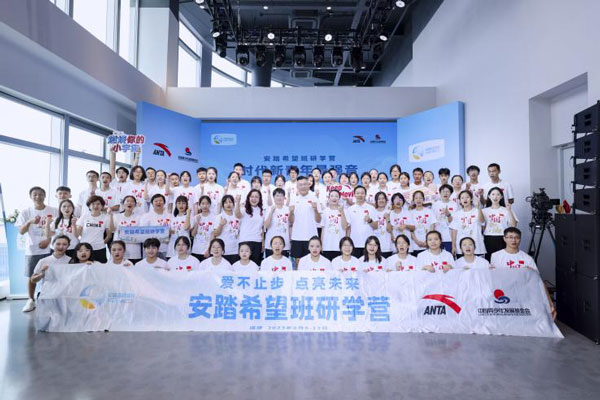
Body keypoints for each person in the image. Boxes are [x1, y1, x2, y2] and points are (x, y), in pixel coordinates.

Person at [490, 227, 556, 320]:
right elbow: (494, 278)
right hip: (505, 293)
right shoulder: (496, 256)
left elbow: (538, 281)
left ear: (520, 239)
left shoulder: (527, 258)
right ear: (504, 238)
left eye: (517, 237)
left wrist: (550, 302)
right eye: (510, 237)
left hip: (523, 293)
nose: (514, 240)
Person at [289, 176, 322, 262]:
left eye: (305, 184)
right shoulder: (293, 199)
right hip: (297, 236)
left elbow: (319, 220)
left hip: (311, 236)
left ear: (308, 185)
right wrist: (291, 212)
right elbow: (291, 221)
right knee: (298, 262)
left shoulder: (314, 198)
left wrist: (315, 210)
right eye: (300, 185)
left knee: (312, 261)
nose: (303, 186)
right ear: (297, 187)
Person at [29, 235, 71, 299]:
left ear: (68, 246)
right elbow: (33, 280)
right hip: (46, 294)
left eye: (64, 244)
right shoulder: (43, 261)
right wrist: (41, 275)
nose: (61, 247)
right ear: (52, 244)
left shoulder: (71, 261)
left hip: (64, 295)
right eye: (58, 244)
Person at [482, 187, 518, 260]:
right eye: (493, 194)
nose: (495, 197)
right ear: (489, 196)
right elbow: (482, 226)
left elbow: (514, 225)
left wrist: (509, 210)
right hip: (489, 238)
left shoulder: (506, 210)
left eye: (498, 194)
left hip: (503, 238)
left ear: (501, 197)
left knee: (503, 259)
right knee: (490, 260)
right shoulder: (484, 211)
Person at [450, 190, 486, 257]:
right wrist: (453, 246)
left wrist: (479, 208)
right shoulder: (457, 214)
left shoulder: (477, 211)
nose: (465, 199)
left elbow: (482, 222)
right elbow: (454, 231)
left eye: (467, 197)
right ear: (460, 201)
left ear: (471, 199)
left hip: (477, 246)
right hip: (461, 247)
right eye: (462, 198)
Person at [75, 195, 111, 263]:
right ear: (89, 206)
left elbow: (109, 235)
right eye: (93, 204)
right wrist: (74, 225)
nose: (95, 206)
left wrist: (101, 243)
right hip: (85, 249)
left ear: (102, 206)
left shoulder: (105, 218)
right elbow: (77, 234)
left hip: (100, 249)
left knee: (100, 268)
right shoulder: (84, 217)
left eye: (98, 204)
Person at [345, 186, 377, 258]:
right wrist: (347, 242)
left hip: (368, 244)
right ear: (354, 195)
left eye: (362, 193)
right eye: (358, 193)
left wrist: (370, 221)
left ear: (365, 195)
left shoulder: (371, 208)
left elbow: (376, 226)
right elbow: (348, 228)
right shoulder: (350, 209)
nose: (360, 195)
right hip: (354, 243)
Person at [235, 189, 265, 265]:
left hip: (257, 241)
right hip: (245, 240)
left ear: (260, 199)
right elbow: (237, 215)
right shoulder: (244, 209)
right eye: (252, 196)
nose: (254, 199)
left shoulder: (262, 211)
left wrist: (263, 242)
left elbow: (262, 228)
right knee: (244, 264)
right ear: (248, 198)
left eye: (256, 197)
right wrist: (237, 202)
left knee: (255, 265)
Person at [109, 195, 142, 264]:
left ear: (135, 205)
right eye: (127, 201)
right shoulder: (117, 216)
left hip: (134, 251)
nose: (129, 203)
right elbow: (112, 230)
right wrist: (111, 216)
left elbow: (141, 233)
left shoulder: (140, 218)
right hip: (118, 251)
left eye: (132, 201)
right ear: (123, 204)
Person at [140, 194, 172, 259]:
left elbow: (173, 231)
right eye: (156, 201)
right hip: (150, 249)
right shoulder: (146, 216)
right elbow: (142, 232)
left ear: (164, 203)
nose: (158, 202)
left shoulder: (170, 216)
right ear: (152, 203)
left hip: (165, 248)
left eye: (160, 200)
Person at [320, 189, 348, 261]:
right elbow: (323, 230)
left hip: (339, 246)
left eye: (336, 196)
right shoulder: (325, 212)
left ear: (339, 198)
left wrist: (342, 212)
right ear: (328, 198)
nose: (334, 198)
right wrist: (321, 244)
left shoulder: (345, 211)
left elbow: (345, 227)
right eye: (332, 196)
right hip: (327, 246)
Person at [213, 195, 240, 264]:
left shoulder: (237, 216)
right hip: (224, 250)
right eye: (226, 202)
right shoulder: (219, 217)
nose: (228, 204)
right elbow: (215, 234)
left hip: (236, 250)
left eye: (230, 202)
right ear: (223, 205)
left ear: (233, 204)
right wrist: (221, 225)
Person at [264, 188, 291, 258]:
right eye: (277, 195)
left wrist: (291, 240)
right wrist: (271, 212)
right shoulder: (269, 208)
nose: (279, 197)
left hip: (284, 243)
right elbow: (266, 225)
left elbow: (290, 225)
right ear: (273, 197)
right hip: (270, 244)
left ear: (284, 197)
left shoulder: (288, 209)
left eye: (281, 195)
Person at [191, 196, 218, 262]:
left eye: (207, 203)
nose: (205, 206)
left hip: (208, 251)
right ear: (199, 205)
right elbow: (193, 234)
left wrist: (209, 249)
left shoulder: (215, 217)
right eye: (203, 203)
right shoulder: (196, 217)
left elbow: (214, 235)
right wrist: (197, 222)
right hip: (196, 250)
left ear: (210, 205)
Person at [430, 184, 456, 253]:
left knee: (449, 256)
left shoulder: (455, 205)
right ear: (440, 193)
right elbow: (432, 222)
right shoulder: (435, 205)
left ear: (451, 193)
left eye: (447, 191)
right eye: (443, 191)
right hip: (437, 237)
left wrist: (448, 215)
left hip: (450, 237)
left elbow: (454, 223)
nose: (445, 193)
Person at [410, 190, 432, 256]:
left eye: (420, 198)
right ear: (413, 200)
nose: (418, 200)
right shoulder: (410, 213)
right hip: (415, 245)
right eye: (416, 198)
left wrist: (427, 241)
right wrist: (416, 241)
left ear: (423, 199)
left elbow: (432, 227)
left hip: (428, 244)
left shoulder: (429, 211)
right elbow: (411, 230)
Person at [371, 192, 393, 258]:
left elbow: (390, 230)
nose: (381, 200)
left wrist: (388, 218)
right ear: (376, 201)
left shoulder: (390, 212)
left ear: (386, 200)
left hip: (387, 246)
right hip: (374, 246)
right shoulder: (372, 212)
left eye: (383, 198)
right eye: (379, 199)